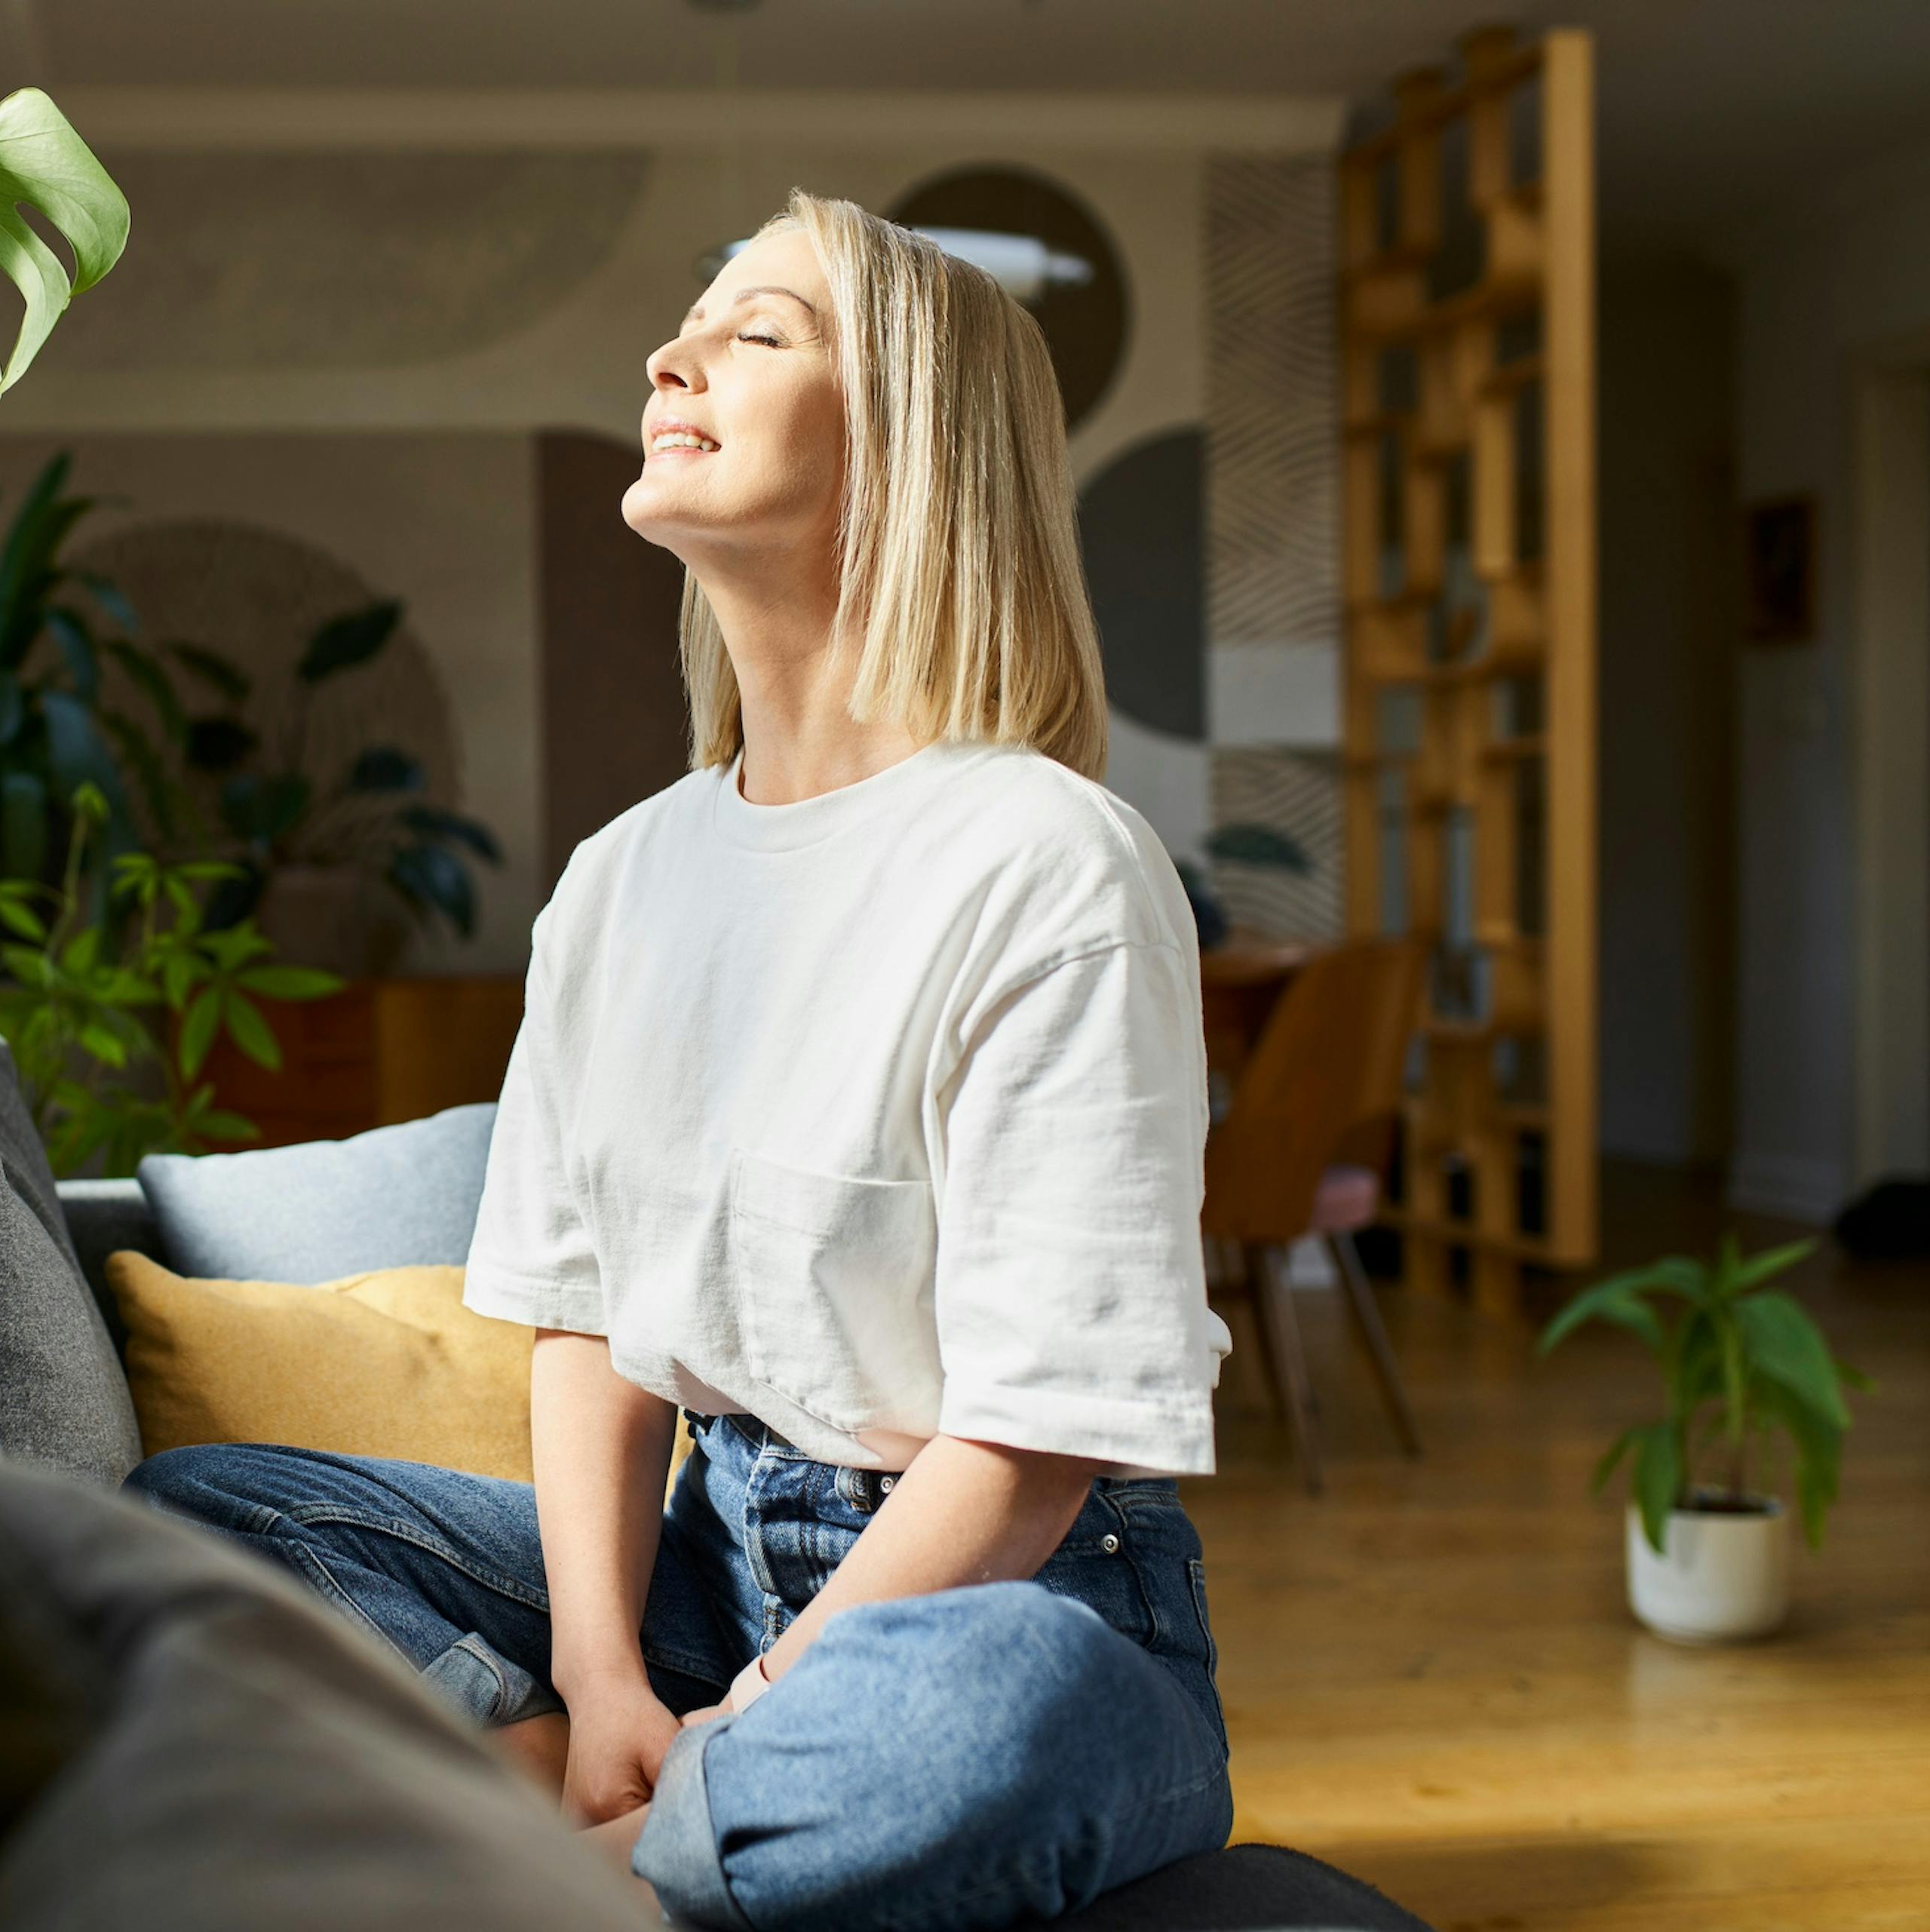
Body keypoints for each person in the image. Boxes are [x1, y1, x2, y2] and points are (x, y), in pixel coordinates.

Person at [127, 188, 1234, 1931]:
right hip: (700, 1568)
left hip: (1012, 1594)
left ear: (909, 447)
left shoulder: (1052, 865)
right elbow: (589, 1324)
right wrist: (604, 1682)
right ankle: (615, 1827)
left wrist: (780, 1708)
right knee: (195, 1510)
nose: (669, 358)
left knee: (997, 1711)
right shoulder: (623, 878)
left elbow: (1032, 1444)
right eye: (688, 320)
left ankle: (532, 1872)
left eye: (757, 330)